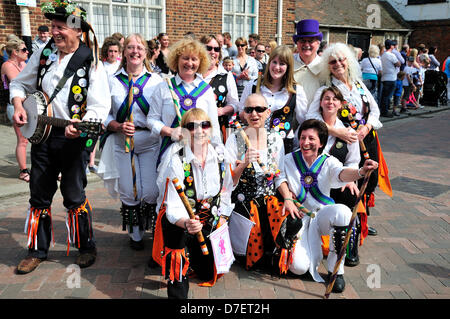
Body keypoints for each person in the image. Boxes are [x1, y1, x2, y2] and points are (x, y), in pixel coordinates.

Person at [10, 0, 111, 274]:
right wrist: (19, 104)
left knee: (73, 193)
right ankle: (37, 250)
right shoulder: (43, 54)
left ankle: (86, 246)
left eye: (60, 27)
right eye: (53, 26)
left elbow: (100, 106)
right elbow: (20, 82)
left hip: (74, 137)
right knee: (39, 194)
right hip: (42, 135)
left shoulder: (92, 62)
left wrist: (81, 124)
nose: (54, 32)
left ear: (78, 30)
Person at [276, 119, 378, 293]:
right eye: (302, 138)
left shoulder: (329, 161)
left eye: (311, 138)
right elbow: (280, 178)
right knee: (298, 268)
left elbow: (342, 174)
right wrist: (287, 197)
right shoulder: (288, 159)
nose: (305, 142)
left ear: (321, 142)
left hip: (321, 215)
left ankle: (336, 271)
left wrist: (360, 172)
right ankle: (285, 250)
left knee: (343, 212)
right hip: (299, 217)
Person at [153, 108, 234, 299]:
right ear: (184, 132)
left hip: (208, 221)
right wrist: (186, 223)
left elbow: (227, 191)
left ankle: (197, 259)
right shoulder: (176, 160)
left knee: (207, 273)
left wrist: (222, 217)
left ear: (211, 129)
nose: (199, 130)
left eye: (204, 125)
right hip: (181, 221)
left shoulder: (222, 158)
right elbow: (172, 206)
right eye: (191, 126)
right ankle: (178, 294)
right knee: (177, 245)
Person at [307, 42, 385, 237]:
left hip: (368, 139)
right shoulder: (328, 90)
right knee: (349, 181)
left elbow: (374, 110)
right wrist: (336, 132)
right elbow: (311, 117)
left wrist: (367, 127)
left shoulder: (359, 85)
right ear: (328, 66)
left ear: (348, 61)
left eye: (341, 59)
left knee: (370, 179)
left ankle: (362, 221)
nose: (338, 64)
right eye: (333, 61)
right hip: (344, 145)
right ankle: (347, 222)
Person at [224, 93, 301, 273]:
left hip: (268, 202)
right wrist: (243, 164)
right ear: (243, 113)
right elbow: (228, 181)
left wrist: (288, 199)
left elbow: (278, 175)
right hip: (243, 204)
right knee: (246, 256)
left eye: (259, 109)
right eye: (249, 109)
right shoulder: (236, 138)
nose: (254, 114)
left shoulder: (275, 139)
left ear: (268, 112)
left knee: (290, 223)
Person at [99, 33, 163, 251]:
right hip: (121, 142)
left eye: (140, 48)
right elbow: (103, 113)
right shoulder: (111, 81)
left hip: (150, 141)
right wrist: (116, 125)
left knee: (152, 192)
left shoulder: (157, 81)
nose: (135, 51)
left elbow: (163, 113)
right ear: (124, 51)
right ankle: (135, 234)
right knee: (129, 189)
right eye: (131, 47)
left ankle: (154, 231)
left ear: (145, 53)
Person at [147, 37, 222, 170]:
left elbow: (213, 125)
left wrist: (219, 151)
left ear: (201, 62)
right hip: (170, 151)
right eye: (185, 58)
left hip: (200, 153)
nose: (190, 63)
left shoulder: (206, 90)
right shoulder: (164, 87)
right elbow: (152, 119)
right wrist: (170, 131)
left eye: (194, 59)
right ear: (176, 60)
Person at [316, 87, 362, 266]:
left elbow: (353, 161)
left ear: (340, 104)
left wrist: (350, 178)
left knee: (350, 195)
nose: (330, 102)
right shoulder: (312, 126)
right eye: (326, 98)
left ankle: (349, 246)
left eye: (335, 99)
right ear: (320, 103)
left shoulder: (349, 132)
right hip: (313, 182)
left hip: (336, 181)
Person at [239, 45, 308, 154]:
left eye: (282, 64)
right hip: (253, 143)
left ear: (288, 67)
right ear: (269, 62)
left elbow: (304, 121)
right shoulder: (253, 85)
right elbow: (241, 114)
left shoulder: (296, 91)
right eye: (274, 62)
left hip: (283, 147)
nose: (277, 67)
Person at [200, 34, 239, 143]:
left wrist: (220, 111)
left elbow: (235, 104)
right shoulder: (192, 74)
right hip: (194, 131)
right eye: (208, 48)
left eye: (216, 49)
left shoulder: (226, 75)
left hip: (218, 131)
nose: (213, 52)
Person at [0, 38, 29, 182]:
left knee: (35, 139)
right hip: (15, 106)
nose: (27, 52)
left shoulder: (23, 63)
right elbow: (19, 84)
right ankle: (23, 171)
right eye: (24, 50)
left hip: (28, 105)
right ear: (15, 53)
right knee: (22, 140)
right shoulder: (7, 65)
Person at [292, 19, 323, 107]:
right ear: (297, 43)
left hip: (317, 117)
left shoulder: (325, 66)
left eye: (310, 41)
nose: (306, 44)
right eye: (302, 41)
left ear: (318, 43)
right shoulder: (288, 63)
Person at [379, 39, 401, 118]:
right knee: (388, 96)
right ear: (391, 46)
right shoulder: (391, 55)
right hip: (391, 78)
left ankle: (383, 110)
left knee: (384, 96)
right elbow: (398, 64)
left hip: (384, 77)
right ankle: (385, 112)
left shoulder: (383, 55)